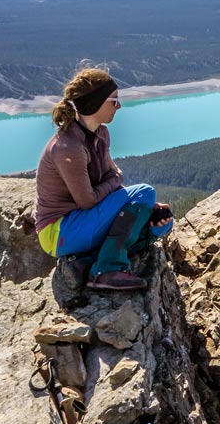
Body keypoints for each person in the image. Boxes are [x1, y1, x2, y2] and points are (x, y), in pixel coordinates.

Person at [33, 68, 172, 291]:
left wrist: (144, 207)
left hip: (84, 223)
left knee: (161, 223)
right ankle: (107, 269)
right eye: (113, 100)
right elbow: (87, 200)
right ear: (95, 103)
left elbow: (111, 179)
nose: (119, 106)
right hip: (58, 232)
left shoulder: (101, 134)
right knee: (145, 191)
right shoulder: (68, 147)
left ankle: (83, 263)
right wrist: (119, 182)